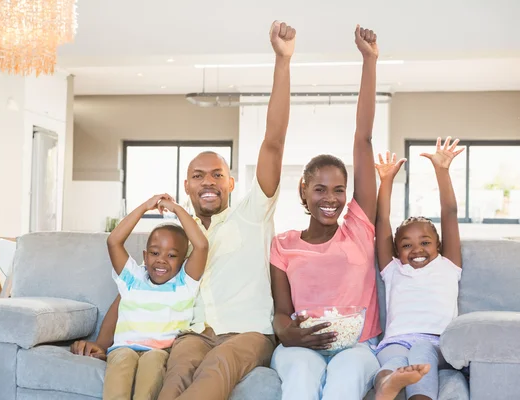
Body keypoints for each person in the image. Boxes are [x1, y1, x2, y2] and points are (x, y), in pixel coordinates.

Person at [72, 20, 296, 400]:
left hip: (247, 334)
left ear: (231, 183)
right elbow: (135, 292)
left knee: (216, 368)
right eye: (198, 176)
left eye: (217, 174)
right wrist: (102, 341)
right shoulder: (175, 240)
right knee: (174, 374)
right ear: (186, 187)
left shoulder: (252, 212)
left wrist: (282, 62)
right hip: (194, 334)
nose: (208, 181)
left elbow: (273, 142)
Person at [269, 25, 382, 399]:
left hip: (357, 346)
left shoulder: (358, 229)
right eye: (320, 189)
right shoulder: (283, 245)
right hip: (302, 347)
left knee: (345, 379)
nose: (330, 199)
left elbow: (363, 139)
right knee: (300, 379)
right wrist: (287, 332)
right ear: (304, 190)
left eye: (338, 190)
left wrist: (369, 61)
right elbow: (282, 313)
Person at [372, 137, 464, 400]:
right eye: (406, 245)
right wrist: (386, 181)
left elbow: (450, 212)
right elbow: (381, 220)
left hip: (436, 343)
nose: (417, 250)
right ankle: (386, 386)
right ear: (395, 250)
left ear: (439, 244)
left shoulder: (448, 265)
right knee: (391, 360)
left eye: (425, 242)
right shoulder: (392, 270)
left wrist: (442, 171)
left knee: (421, 352)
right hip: (396, 340)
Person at [92, 193, 208, 400]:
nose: (161, 260)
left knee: (152, 361)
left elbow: (201, 245)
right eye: (155, 253)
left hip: (160, 352)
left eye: (171, 255)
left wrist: (176, 209)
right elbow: (113, 241)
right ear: (145, 256)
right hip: (124, 347)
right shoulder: (132, 279)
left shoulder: (184, 284)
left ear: (183, 261)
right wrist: (145, 207)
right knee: (123, 359)